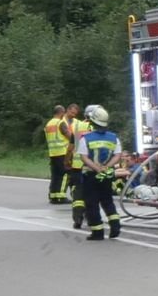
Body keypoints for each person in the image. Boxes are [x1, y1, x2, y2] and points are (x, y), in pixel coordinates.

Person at [75, 104, 124, 241]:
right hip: (107, 174)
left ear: (92, 121)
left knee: (92, 203)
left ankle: (97, 232)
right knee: (107, 200)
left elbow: (84, 157)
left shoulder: (86, 138)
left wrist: (96, 168)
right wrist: (107, 167)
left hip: (91, 174)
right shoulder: (114, 138)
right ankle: (115, 226)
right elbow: (117, 155)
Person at [65, 103, 89, 229]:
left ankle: (78, 218)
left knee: (78, 193)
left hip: (77, 165)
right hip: (93, 167)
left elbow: (71, 147)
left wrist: (66, 160)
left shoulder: (78, 126)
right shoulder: (101, 129)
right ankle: (92, 217)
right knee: (93, 192)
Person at [43, 104, 70, 204]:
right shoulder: (60, 123)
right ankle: (60, 196)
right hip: (62, 151)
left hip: (53, 152)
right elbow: (68, 135)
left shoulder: (48, 123)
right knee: (64, 174)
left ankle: (53, 195)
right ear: (61, 112)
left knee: (55, 175)